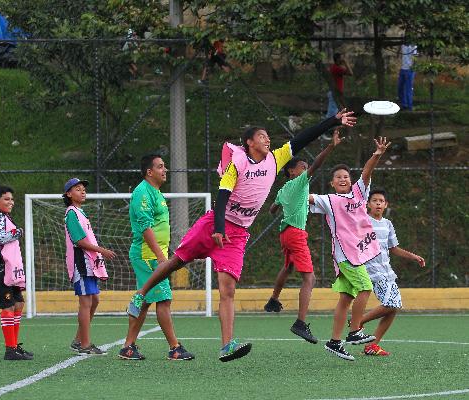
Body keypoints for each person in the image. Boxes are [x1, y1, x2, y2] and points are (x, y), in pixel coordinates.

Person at [127, 109, 357, 362]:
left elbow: (305, 137)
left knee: (228, 289)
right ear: (249, 142)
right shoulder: (238, 163)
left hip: (237, 234)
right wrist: (217, 228)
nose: (267, 140)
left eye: (268, 136)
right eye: (261, 136)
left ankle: (227, 346)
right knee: (177, 261)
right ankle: (140, 295)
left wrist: (333, 121)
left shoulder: (276, 158)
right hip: (214, 224)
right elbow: (223, 195)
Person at [309, 136, 391, 361]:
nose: (343, 179)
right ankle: (355, 331)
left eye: (346, 176)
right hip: (345, 255)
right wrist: (293, 193)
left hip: (357, 254)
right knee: (365, 287)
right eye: (338, 177)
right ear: (332, 183)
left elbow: (367, 172)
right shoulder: (329, 200)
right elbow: (308, 198)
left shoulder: (359, 192)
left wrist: (377, 155)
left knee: (346, 298)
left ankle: (335, 342)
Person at [263, 129, 344, 344]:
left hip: (285, 233)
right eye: (302, 167)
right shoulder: (299, 183)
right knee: (310, 278)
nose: (307, 169)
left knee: (288, 267)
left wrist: (276, 209)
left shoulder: (283, 189)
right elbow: (317, 164)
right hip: (296, 233)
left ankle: (273, 300)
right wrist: (331, 146)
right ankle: (300, 323)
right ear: (291, 171)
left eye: (306, 168)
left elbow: (273, 206)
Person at [118, 154, 194, 361]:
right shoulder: (143, 192)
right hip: (147, 256)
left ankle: (128, 346)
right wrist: (161, 257)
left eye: (165, 166)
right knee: (164, 299)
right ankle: (175, 348)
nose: (165, 170)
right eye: (160, 167)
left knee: (145, 302)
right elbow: (145, 226)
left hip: (154, 256)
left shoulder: (156, 192)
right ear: (149, 172)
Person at [360, 188, 425, 356]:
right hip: (371, 271)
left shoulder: (387, 224)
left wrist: (413, 256)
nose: (378, 203)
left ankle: (372, 345)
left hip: (387, 271)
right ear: (368, 204)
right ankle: (357, 322)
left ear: (386, 205)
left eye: (381, 201)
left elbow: (394, 248)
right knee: (391, 304)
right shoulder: (363, 221)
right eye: (374, 201)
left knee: (394, 307)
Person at [63, 178, 117, 355]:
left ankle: (78, 340)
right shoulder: (71, 213)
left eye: (83, 189)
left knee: (94, 300)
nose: (83, 191)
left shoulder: (81, 212)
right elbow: (79, 241)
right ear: (69, 194)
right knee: (86, 302)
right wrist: (103, 250)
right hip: (81, 264)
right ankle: (85, 344)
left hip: (89, 263)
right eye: (78, 189)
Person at [0, 186, 33, 360]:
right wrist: (18, 232)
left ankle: (14, 346)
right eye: (6, 199)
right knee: (9, 307)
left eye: (11, 199)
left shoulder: (4, 217)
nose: (11, 202)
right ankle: (10, 350)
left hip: (8, 271)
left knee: (18, 305)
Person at [326, 53, 353, 119]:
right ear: (338, 59)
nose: (343, 59)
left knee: (337, 112)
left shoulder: (334, 67)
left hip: (336, 92)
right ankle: (327, 127)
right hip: (335, 93)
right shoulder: (336, 68)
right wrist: (346, 62)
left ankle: (333, 127)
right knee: (332, 114)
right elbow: (350, 73)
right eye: (341, 58)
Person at [397, 44, 418, 110]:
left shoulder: (414, 46)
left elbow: (415, 59)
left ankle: (409, 107)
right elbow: (398, 54)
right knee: (400, 88)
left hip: (410, 70)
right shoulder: (402, 45)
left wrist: (413, 69)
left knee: (408, 89)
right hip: (403, 69)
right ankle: (403, 105)